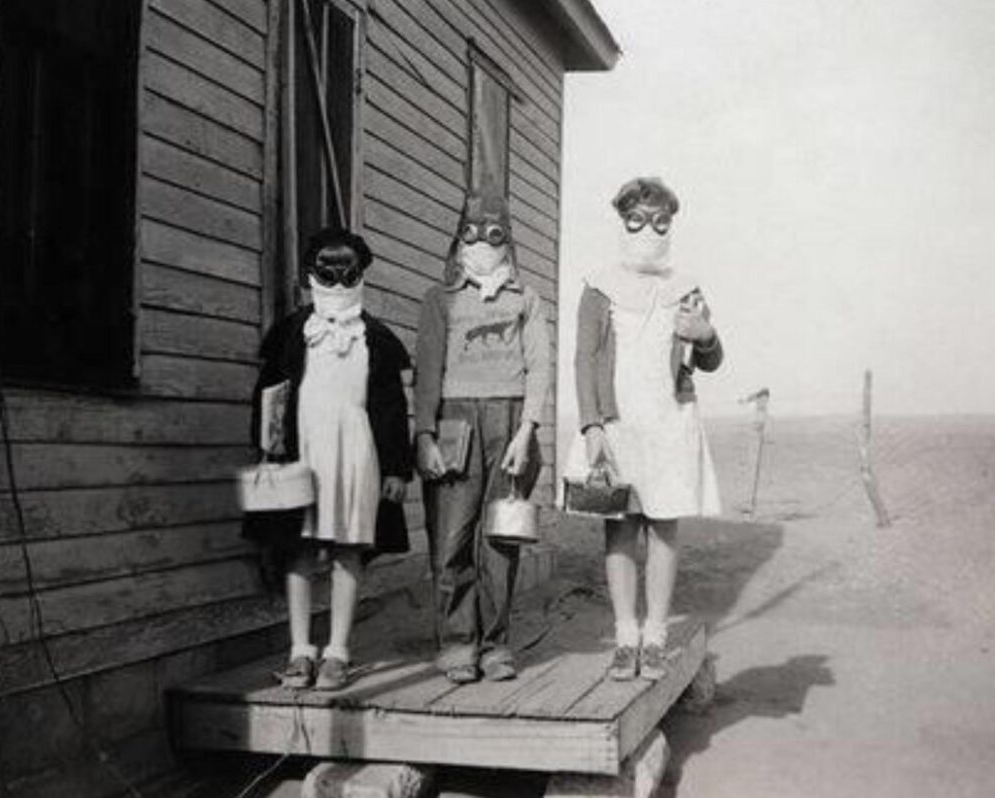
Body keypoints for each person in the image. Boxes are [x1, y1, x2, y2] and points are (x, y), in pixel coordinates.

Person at [565, 177, 723, 681]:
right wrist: (592, 425)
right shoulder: (599, 284)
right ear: (623, 220)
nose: (650, 229)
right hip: (618, 423)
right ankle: (625, 635)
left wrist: (706, 337)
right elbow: (583, 359)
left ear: (671, 224)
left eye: (661, 220)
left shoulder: (686, 286)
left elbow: (712, 359)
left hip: (669, 421)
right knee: (620, 528)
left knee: (664, 525)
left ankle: (655, 635)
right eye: (638, 219)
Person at [245, 227, 413, 691]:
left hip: (356, 452)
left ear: (361, 273)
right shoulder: (291, 333)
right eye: (327, 269)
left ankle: (337, 651)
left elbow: (392, 408)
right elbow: (266, 397)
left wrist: (398, 467)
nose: (338, 280)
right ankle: (300, 649)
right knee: (295, 547)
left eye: (348, 270)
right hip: (300, 451)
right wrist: (265, 450)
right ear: (309, 273)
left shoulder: (375, 339)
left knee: (346, 548)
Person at [415, 193, 550, 683]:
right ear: (457, 238)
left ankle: (494, 644)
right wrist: (425, 433)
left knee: (500, 537)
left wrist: (527, 431)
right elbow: (428, 370)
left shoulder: (526, 298)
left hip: (510, 424)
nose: (481, 241)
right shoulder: (440, 299)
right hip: (454, 420)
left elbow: (539, 368)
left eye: (493, 233)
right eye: (470, 231)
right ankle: (456, 643)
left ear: (507, 241)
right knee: (451, 539)